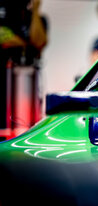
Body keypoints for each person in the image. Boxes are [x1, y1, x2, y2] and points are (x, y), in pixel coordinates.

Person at [0, 0, 48, 139]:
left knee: (28, 134)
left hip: (28, 88)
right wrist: (27, 44)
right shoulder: (3, 16)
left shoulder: (39, 19)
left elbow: (39, 42)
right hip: (4, 86)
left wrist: (36, 11)